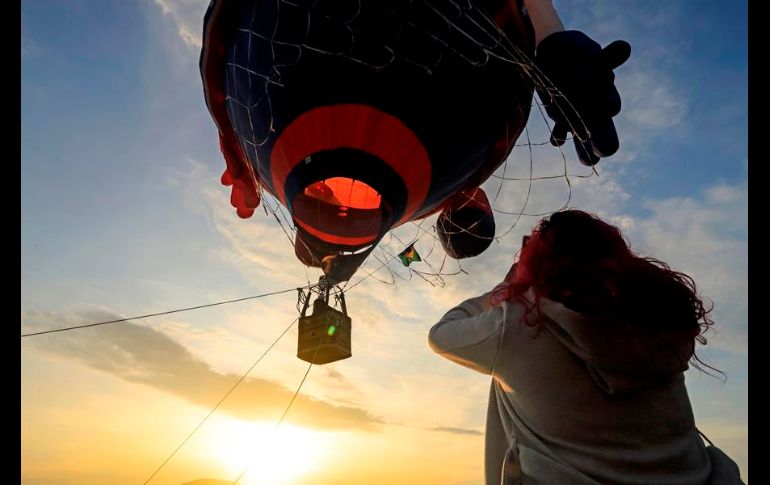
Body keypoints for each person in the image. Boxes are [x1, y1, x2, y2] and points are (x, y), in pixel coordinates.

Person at [428, 210, 740, 484]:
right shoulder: (655, 320)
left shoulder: (519, 324)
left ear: (538, 263)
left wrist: (506, 289)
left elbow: (441, 335)